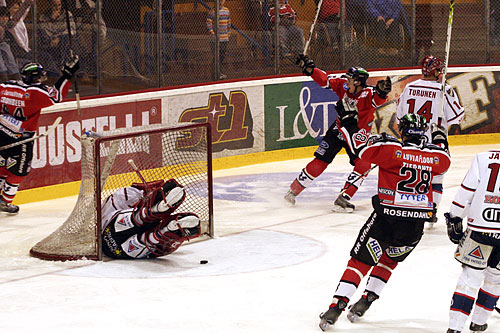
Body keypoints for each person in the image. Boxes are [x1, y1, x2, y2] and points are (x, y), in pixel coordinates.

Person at [318, 109, 451, 330]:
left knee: (359, 263)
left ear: (402, 131)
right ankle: (366, 301)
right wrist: (440, 137)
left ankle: (336, 306)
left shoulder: (390, 149)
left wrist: (351, 125)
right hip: (415, 225)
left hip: (386, 218)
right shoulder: (435, 156)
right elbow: (445, 159)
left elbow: (360, 153)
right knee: (389, 261)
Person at [284, 54, 391, 212]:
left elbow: (378, 98)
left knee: (364, 164)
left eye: (350, 79)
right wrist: (311, 70)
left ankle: (344, 197)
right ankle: (292, 192)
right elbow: (325, 80)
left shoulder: (368, 94)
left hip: (357, 136)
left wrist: (382, 92)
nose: (346, 81)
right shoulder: (343, 85)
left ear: (358, 82)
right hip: (339, 130)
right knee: (320, 161)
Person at [0, 55, 80, 213]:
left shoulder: (6, 86)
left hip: (1, 134)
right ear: (36, 77)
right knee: (19, 171)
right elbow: (56, 96)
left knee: (2, 166)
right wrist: (67, 75)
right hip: (20, 139)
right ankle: (4, 201)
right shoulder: (35, 92)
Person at [396, 55, 464, 225]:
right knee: (436, 179)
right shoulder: (443, 90)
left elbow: (399, 117)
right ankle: (431, 208)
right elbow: (458, 117)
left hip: (410, 142)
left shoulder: (409, 87)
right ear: (436, 71)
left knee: (412, 175)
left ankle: (408, 208)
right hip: (435, 142)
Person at [444, 150, 500, 333]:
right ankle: (479, 321)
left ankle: (455, 327)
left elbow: (465, 194)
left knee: (470, 279)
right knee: (496, 280)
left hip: (480, 229)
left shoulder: (483, 158)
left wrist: (455, 218)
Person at [101, 178, 201, 259]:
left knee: (133, 219)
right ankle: (162, 228)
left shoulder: (125, 195)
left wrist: (141, 195)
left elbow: (120, 198)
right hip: (129, 246)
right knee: (147, 235)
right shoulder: (128, 195)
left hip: (111, 242)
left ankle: (153, 213)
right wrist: (142, 194)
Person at [38, 0, 76, 73]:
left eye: (59, 5)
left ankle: (62, 64)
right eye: (54, 5)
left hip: (63, 39)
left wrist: (58, 37)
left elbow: (70, 29)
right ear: (50, 5)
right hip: (49, 40)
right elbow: (44, 31)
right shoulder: (44, 16)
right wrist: (52, 19)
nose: (57, 8)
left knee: (66, 38)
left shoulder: (67, 14)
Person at [206, 0, 231, 80]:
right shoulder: (212, 11)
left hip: (224, 38)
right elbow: (208, 23)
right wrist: (212, 33)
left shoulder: (226, 11)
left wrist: (229, 32)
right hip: (215, 39)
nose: (221, 2)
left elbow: (229, 22)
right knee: (216, 57)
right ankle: (215, 74)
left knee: (222, 56)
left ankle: (219, 72)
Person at [5, 0, 33, 64]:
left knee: (45, 56)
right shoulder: (9, 23)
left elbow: (26, 9)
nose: (17, 10)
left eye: (18, 8)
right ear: (9, 9)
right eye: (15, 8)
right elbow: (22, 10)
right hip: (20, 50)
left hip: (26, 49)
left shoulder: (20, 19)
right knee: (45, 57)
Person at [0, 6, 19, 81]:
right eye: (1, 16)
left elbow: (17, 17)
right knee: (1, 64)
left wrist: (27, 4)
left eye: (6, 16)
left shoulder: (7, 25)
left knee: (5, 47)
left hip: (3, 45)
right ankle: (4, 82)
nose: (4, 19)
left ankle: (18, 81)